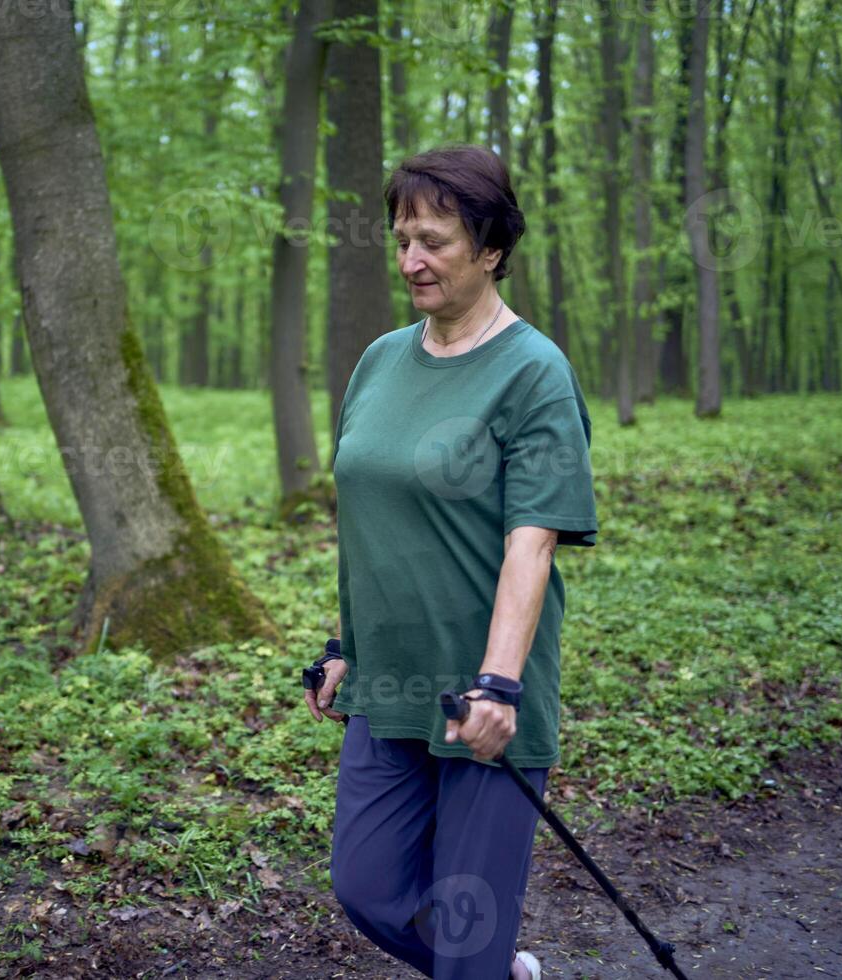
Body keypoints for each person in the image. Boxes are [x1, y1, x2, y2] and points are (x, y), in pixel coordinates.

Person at [304, 144, 599, 979]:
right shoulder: (378, 362)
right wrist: (344, 646)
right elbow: (374, 519)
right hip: (389, 683)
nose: (411, 261)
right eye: (403, 240)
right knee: (364, 887)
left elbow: (532, 540)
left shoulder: (534, 373)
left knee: (468, 936)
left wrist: (499, 686)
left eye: (433, 241)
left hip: (482, 701)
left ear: (492, 248)